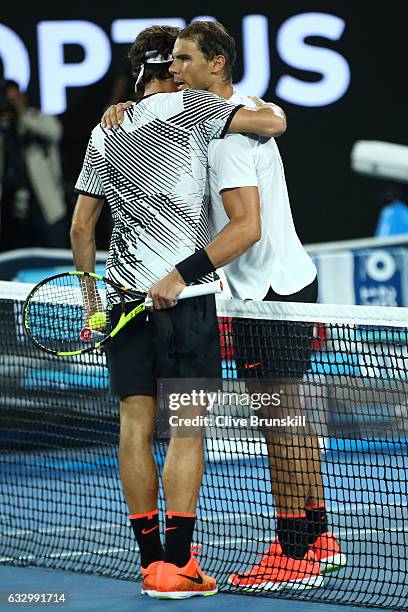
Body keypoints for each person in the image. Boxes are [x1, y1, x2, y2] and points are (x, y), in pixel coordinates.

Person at [105, 20, 346, 593]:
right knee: (287, 414)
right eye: (170, 64)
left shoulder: (229, 135)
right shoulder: (215, 115)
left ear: (216, 64)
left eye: (184, 60)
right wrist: (121, 113)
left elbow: (245, 228)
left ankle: (295, 549)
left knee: (276, 418)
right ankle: (318, 534)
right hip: (282, 288)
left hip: (267, 295)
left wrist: (177, 276)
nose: (174, 70)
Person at [71, 24, 286, 600]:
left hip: (120, 301)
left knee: (135, 427)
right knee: (187, 431)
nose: (188, 70)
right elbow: (271, 123)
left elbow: (80, 229)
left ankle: (151, 565)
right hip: (185, 302)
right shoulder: (190, 109)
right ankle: (180, 563)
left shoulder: (105, 129)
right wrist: (233, 102)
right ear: (172, 67)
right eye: (182, 61)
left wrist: (94, 304)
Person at [0, 80, 67, 250]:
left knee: (56, 259)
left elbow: (55, 132)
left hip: (46, 205)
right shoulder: (4, 128)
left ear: (23, 97)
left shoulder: (37, 118)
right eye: (8, 100)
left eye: (15, 99)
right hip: (11, 206)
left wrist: (22, 114)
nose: (12, 105)